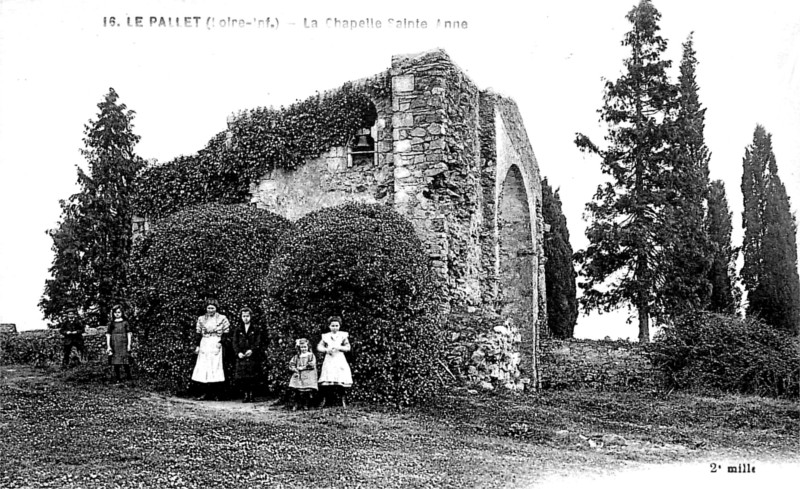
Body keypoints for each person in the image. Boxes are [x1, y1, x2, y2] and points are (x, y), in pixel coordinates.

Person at [191, 299, 230, 400]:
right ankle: (204, 393)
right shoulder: (201, 319)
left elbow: (226, 332)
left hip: (216, 344)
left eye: (212, 308)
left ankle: (216, 394)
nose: (210, 310)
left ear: (216, 308)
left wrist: (221, 343)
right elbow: (198, 333)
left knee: (216, 368)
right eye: (209, 308)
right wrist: (197, 346)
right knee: (204, 368)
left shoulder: (222, 318)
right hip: (205, 343)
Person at [317, 316, 352, 408]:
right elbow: (319, 347)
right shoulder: (326, 336)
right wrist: (326, 350)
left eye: (337, 325)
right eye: (332, 325)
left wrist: (339, 348)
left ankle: (341, 400)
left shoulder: (343, 335)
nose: (335, 327)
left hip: (339, 358)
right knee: (329, 377)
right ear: (329, 326)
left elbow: (348, 347)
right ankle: (328, 400)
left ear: (340, 326)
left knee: (340, 377)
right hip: (329, 358)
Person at [231, 307, 261, 403]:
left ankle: (252, 395)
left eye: (247, 316)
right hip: (242, 356)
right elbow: (234, 342)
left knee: (252, 376)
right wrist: (238, 352)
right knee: (242, 377)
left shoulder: (256, 329)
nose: (246, 318)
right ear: (241, 317)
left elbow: (258, 342)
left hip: (252, 356)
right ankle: (245, 395)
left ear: (251, 316)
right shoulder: (238, 329)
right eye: (243, 316)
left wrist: (252, 350)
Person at [288, 338, 318, 410]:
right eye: (302, 347)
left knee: (307, 391)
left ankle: (306, 404)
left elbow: (312, 365)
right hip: (299, 374)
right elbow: (291, 364)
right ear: (299, 348)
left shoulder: (311, 355)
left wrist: (303, 367)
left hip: (308, 373)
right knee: (296, 388)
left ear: (308, 347)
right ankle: (296, 404)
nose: (303, 349)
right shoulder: (297, 356)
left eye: (305, 347)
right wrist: (295, 369)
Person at [105, 305, 133, 382]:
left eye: (119, 312)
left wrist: (129, 344)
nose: (117, 314)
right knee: (116, 361)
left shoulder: (125, 322)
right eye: (115, 312)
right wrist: (108, 346)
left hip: (123, 343)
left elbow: (129, 334)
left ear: (122, 313)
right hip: (114, 343)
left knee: (125, 360)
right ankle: (117, 377)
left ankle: (128, 376)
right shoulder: (111, 323)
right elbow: (108, 335)